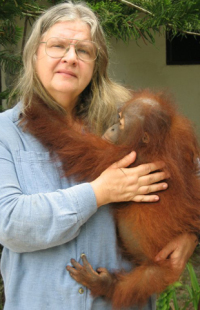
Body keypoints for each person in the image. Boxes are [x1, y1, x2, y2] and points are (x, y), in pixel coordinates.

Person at [0, 2, 198, 310]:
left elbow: (192, 170)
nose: (70, 57)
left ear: (96, 62)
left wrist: (191, 233)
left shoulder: (133, 115)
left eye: (83, 50)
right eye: (58, 45)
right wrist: (99, 192)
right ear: (34, 53)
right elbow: (8, 222)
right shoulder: (6, 132)